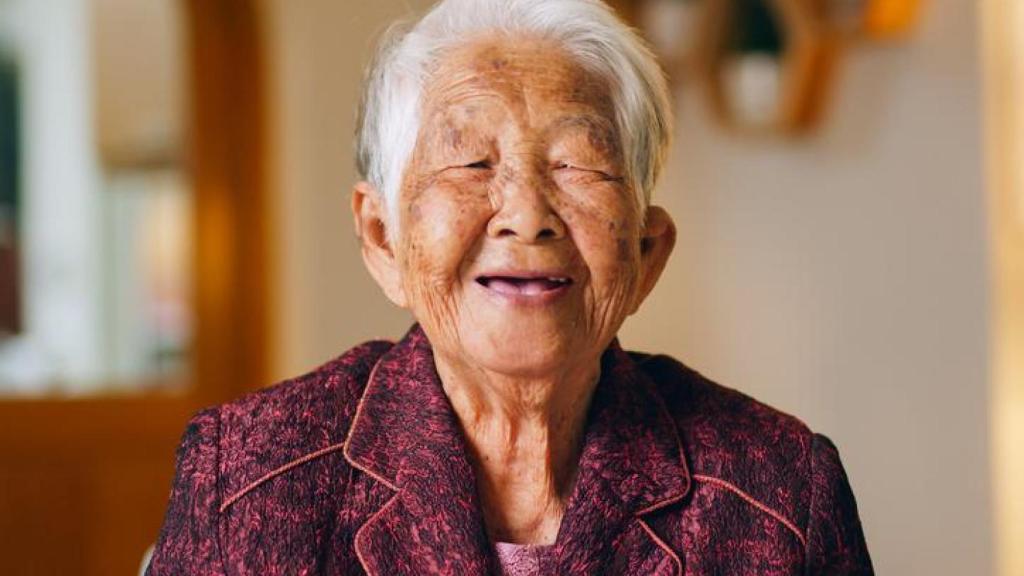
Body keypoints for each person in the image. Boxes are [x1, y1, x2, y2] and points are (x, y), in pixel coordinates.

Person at [147, 0, 873, 574]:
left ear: (646, 253)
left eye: (576, 165)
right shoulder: (248, 480)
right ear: (382, 239)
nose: (527, 217)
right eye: (470, 164)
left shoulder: (779, 494)